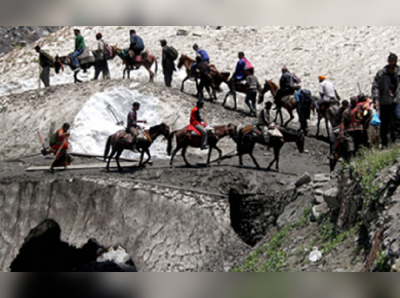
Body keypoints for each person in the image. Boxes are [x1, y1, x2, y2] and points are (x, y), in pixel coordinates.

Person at [371, 53, 400, 148]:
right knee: (385, 122)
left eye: (394, 61)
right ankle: (384, 143)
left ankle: (396, 140)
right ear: (388, 61)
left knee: (397, 120)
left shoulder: (399, 72)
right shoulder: (381, 74)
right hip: (385, 101)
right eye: (391, 61)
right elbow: (375, 87)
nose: (393, 63)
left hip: (397, 100)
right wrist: (376, 100)